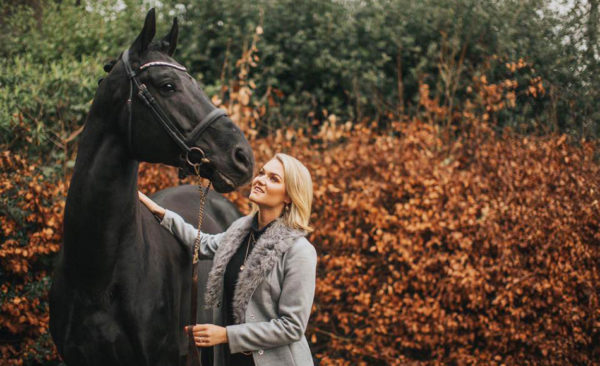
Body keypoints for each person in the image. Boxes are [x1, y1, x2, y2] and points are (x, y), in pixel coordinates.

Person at [138, 153, 317, 366]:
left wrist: (226, 335)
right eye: (262, 173)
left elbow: (292, 327)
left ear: (289, 196)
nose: (260, 180)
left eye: (273, 179)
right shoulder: (239, 233)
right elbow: (201, 242)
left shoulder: (299, 251)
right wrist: (158, 211)